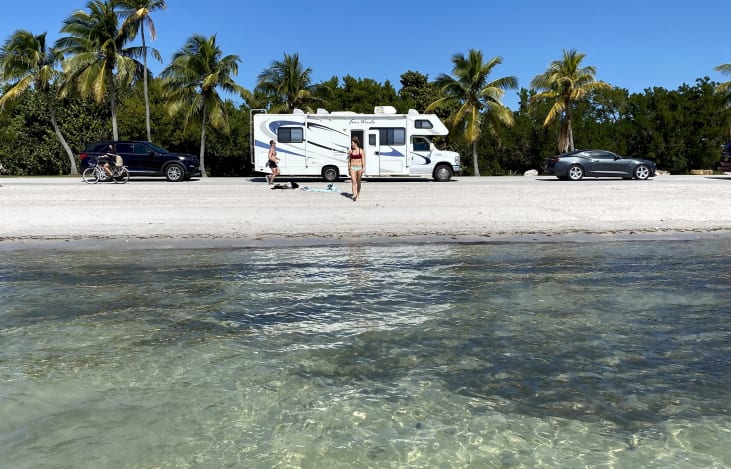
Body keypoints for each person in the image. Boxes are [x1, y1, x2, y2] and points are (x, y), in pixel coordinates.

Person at [348, 137, 365, 201]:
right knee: (353, 181)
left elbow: (363, 160)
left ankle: (358, 194)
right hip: (352, 167)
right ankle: (354, 194)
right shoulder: (350, 151)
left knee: (358, 182)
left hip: (359, 167)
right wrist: (349, 169)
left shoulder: (361, 151)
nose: (351, 144)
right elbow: (349, 161)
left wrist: (363, 168)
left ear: (356, 143)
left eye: (352, 143)